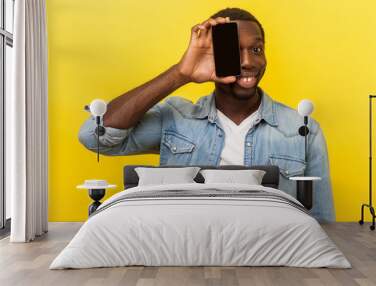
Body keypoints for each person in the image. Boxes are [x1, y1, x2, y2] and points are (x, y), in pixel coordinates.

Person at [78, 8, 335, 222]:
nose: (248, 62)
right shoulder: (176, 119)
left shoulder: (303, 130)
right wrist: (181, 73)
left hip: (270, 254)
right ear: (212, 56)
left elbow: (321, 218)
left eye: (256, 49)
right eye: (234, 50)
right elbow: (96, 137)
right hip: (185, 247)